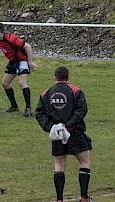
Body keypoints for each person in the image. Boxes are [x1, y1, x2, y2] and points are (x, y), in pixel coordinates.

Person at [35, 66, 93, 202]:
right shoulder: (76, 91)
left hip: (57, 134)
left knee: (59, 164)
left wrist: (51, 128)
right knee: (84, 161)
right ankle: (84, 197)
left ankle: (59, 199)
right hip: (75, 132)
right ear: (68, 77)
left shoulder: (46, 93)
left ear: (54, 77)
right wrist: (68, 125)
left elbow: (40, 114)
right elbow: (81, 110)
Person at [0, 22, 36, 117]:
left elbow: (27, 46)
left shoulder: (11, 38)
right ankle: (14, 106)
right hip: (13, 61)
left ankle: (28, 109)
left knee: (22, 83)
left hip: (22, 60)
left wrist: (30, 62)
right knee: (5, 84)